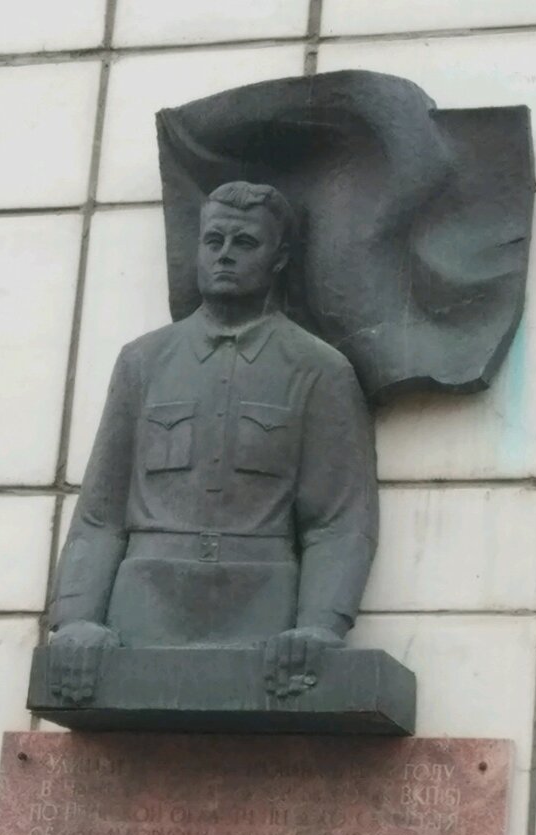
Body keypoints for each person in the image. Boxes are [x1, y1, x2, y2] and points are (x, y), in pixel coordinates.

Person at [49, 182, 378, 696]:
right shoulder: (143, 361)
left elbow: (339, 522)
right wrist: (76, 620)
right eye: (213, 240)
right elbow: (99, 515)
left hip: (261, 610)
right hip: (143, 607)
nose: (225, 254)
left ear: (279, 258)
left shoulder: (320, 370)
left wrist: (320, 626)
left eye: (244, 242)